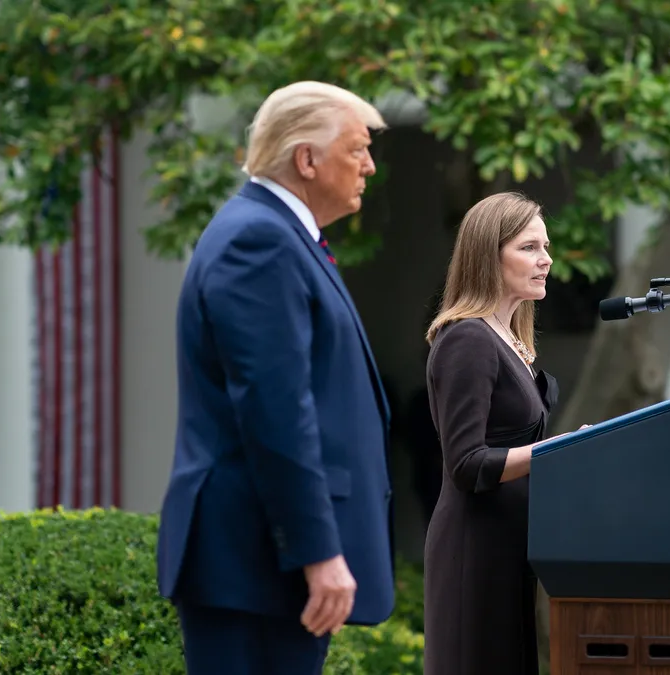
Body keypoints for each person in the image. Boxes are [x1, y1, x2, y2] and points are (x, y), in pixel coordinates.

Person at [156, 81, 395, 675]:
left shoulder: (278, 235)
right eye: (357, 149)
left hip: (263, 563)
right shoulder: (258, 241)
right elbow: (276, 413)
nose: (369, 165)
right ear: (306, 159)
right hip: (256, 562)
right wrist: (317, 552)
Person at [422, 191, 583, 675]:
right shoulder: (468, 338)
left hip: (510, 550)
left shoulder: (509, 340)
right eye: (530, 247)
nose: (546, 260)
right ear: (489, 255)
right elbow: (467, 464)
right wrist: (556, 450)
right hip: (476, 551)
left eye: (546, 247)